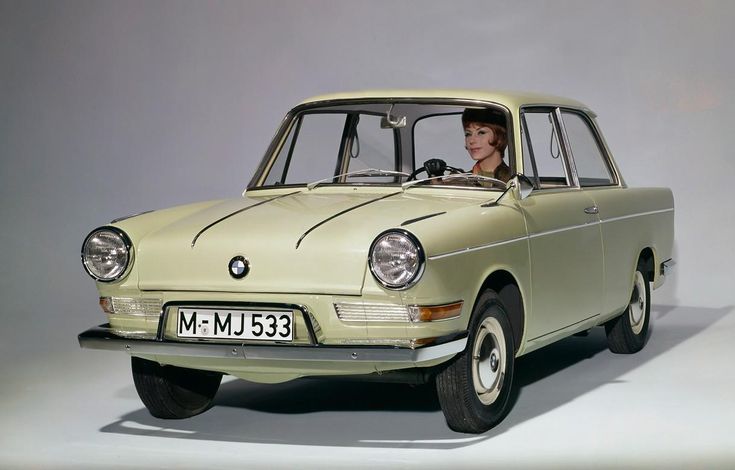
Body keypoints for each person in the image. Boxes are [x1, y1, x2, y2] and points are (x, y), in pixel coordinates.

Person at [462, 108, 511, 183]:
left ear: (499, 137)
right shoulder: (459, 181)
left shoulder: (514, 181)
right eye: (468, 134)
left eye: (481, 133)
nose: (471, 141)